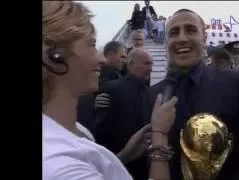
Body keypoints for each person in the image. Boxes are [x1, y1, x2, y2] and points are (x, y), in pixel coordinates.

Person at [43, 1, 176, 180]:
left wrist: (124, 156)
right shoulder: (60, 166)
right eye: (92, 44)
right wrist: (160, 135)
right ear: (54, 56)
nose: (102, 59)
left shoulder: (72, 130)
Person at [150, 8, 239, 180]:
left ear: (204, 39)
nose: (182, 38)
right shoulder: (154, 95)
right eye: (174, 33)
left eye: (190, 30)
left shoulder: (237, 83)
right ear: (167, 41)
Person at [94, 48, 153, 180]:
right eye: (146, 64)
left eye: (151, 64)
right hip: (118, 163)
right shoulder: (111, 89)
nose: (150, 68)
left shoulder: (149, 93)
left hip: (143, 165)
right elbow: (100, 131)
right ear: (131, 63)